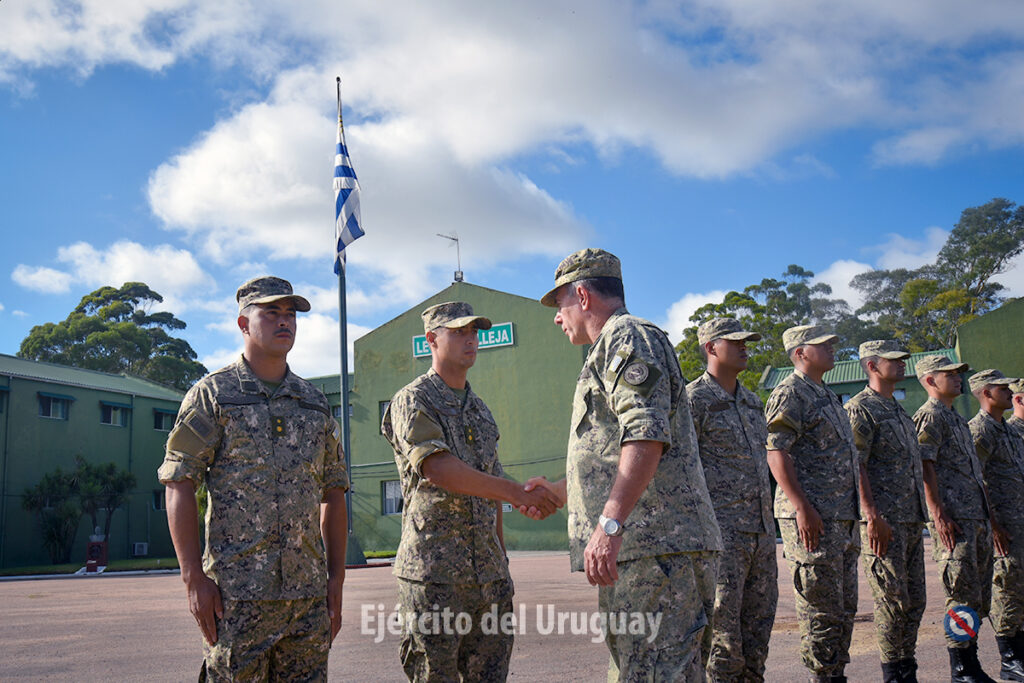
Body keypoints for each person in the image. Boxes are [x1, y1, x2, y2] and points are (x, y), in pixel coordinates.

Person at [531, 248, 722, 681]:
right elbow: (612, 452)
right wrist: (559, 492)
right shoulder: (608, 348)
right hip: (645, 551)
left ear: (583, 296)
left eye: (560, 303)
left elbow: (645, 434)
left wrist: (610, 525)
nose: (557, 318)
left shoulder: (628, 338)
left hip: (658, 549)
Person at [158, 276, 348, 682]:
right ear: (244, 324)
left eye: (291, 314)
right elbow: (179, 483)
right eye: (272, 312)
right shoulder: (214, 395)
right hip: (236, 600)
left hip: (306, 600)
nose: (285, 321)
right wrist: (193, 577)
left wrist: (336, 578)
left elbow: (333, 493)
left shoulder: (314, 404)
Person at [382, 301, 561, 682]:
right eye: (459, 332)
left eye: (474, 332)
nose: (471, 340)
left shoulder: (480, 410)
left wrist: (502, 559)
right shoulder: (413, 400)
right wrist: (518, 492)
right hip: (434, 578)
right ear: (431, 339)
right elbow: (439, 469)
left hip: (489, 581)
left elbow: (491, 492)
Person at [764, 324, 860, 683]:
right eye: (823, 345)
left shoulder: (827, 395)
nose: (832, 348)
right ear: (801, 353)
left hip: (841, 518)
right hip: (812, 518)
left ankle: (835, 675)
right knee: (820, 611)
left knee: (843, 609)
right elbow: (776, 452)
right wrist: (801, 506)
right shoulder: (790, 393)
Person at [687, 317, 777, 683]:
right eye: (735, 341)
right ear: (711, 347)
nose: (744, 347)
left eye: (746, 341)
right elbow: (682, 468)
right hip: (721, 539)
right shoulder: (693, 400)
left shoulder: (753, 402)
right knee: (724, 644)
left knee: (757, 637)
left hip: (761, 535)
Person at [844, 340, 928, 682]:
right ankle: (893, 674)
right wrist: (871, 515)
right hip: (884, 521)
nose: (902, 363)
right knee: (892, 603)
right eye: (893, 360)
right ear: (871, 366)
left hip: (910, 518)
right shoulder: (860, 409)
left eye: (903, 359)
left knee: (915, 602)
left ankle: (907, 668)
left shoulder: (899, 411)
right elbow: (856, 464)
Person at [913, 354, 998, 683]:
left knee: (976, 596)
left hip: (975, 518)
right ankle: (961, 667)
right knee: (960, 595)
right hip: (954, 521)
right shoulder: (930, 416)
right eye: (949, 374)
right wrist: (937, 513)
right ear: (930, 380)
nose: (958, 378)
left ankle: (971, 662)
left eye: (959, 373)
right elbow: (925, 465)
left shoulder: (956, 418)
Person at [968, 369, 1024, 682]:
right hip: (1002, 523)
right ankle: (1009, 657)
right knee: (1006, 587)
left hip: (1019, 520)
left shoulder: (1007, 431)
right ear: (987, 393)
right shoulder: (980, 430)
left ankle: (1020, 651)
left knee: (1020, 586)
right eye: (1002, 388)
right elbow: (976, 478)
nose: (1009, 392)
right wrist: (992, 525)